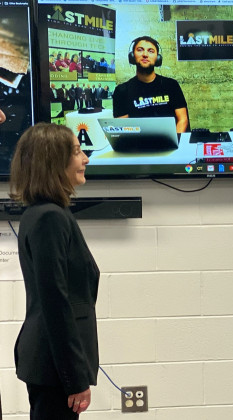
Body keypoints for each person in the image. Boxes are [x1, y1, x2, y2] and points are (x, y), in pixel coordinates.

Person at [9, 123, 99, 420]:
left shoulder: (48, 212)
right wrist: (74, 378)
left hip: (51, 363)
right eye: (76, 152)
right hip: (53, 367)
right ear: (52, 161)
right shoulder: (49, 217)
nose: (85, 158)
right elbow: (56, 304)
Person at [113, 36, 189, 132]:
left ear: (158, 58)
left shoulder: (171, 85)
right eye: (140, 50)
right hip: (138, 144)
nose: (145, 54)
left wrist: (175, 143)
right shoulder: (122, 91)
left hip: (171, 144)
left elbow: (182, 120)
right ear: (132, 56)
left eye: (151, 51)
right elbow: (123, 128)